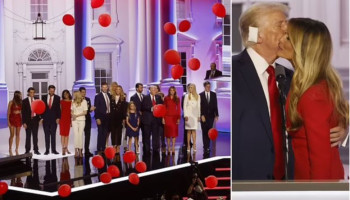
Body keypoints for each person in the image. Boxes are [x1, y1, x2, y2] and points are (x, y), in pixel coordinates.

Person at [232, 2, 347, 180]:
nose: (288, 31)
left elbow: (321, 121)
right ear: (257, 34)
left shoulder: (294, 78)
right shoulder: (232, 74)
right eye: (280, 25)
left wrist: (343, 130)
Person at [278, 18, 348, 180]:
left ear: (303, 48)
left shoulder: (313, 94)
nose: (281, 39)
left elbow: (320, 158)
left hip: (314, 183)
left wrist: (316, 194)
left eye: (288, 37)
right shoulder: (309, 84)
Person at [141, 85, 163, 154]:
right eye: (152, 89)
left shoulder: (158, 97)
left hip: (156, 120)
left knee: (155, 136)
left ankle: (155, 149)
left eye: (155, 89)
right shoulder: (145, 97)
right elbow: (143, 107)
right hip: (147, 120)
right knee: (147, 135)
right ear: (149, 90)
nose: (154, 90)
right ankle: (147, 150)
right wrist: (151, 108)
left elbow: (162, 107)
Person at [199, 81, 219, 154]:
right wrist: (201, 115)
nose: (208, 87)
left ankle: (207, 146)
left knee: (209, 131)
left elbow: (215, 105)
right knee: (204, 132)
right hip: (203, 116)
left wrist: (216, 115)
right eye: (207, 86)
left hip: (211, 116)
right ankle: (205, 146)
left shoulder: (213, 94)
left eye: (209, 86)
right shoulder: (200, 95)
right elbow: (199, 107)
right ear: (204, 87)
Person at [42, 85, 61, 155]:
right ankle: (47, 150)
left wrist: (58, 118)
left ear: (54, 91)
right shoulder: (43, 97)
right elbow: (42, 108)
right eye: (51, 90)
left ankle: (53, 150)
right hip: (46, 120)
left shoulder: (57, 98)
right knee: (46, 135)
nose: (52, 92)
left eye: (53, 91)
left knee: (53, 135)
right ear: (48, 90)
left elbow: (58, 109)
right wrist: (42, 118)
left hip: (54, 120)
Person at [22, 87, 41, 155]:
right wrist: (24, 122)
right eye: (31, 92)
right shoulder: (24, 101)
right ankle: (27, 150)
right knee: (28, 136)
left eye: (33, 92)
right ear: (28, 93)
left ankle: (36, 150)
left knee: (35, 136)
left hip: (35, 121)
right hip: (28, 122)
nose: (32, 94)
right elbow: (23, 113)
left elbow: (39, 110)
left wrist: (40, 118)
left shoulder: (37, 100)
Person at [163, 86, 181, 154]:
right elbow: (164, 108)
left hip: (174, 118)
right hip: (167, 117)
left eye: (173, 90)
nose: (172, 91)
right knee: (168, 134)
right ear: (169, 91)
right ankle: (168, 147)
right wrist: (163, 118)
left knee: (174, 134)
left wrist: (178, 118)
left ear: (175, 91)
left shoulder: (177, 98)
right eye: (171, 90)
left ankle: (173, 147)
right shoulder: (166, 98)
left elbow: (179, 109)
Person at [94, 82, 111, 153]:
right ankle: (99, 148)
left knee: (105, 133)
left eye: (106, 87)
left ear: (107, 87)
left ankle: (103, 148)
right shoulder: (98, 96)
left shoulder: (109, 95)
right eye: (103, 87)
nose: (105, 88)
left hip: (108, 117)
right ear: (101, 88)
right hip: (100, 117)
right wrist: (97, 118)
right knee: (100, 133)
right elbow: (96, 108)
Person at [110, 84, 127, 153]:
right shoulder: (111, 97)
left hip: (120, 118)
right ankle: (114, 145)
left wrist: (124, 118)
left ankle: (118, 146)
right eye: (117, 89)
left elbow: (124, 109)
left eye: (119, 89)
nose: (118, 90)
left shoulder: (123, 98)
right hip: (112, 117)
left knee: (119, 132)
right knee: (113, 132)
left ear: (121, 91)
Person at [183, 83, 201, 153]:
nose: (190, 89)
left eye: (192, 87)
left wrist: (199, 115)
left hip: (195, 115)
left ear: (194, 88)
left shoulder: (198, 96)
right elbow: (184, 106)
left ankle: (194, 145)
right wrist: (185, 115)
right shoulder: (186, 96)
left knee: (194, 131)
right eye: (190, 87)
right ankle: (188, 145)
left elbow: (199, 106)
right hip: (188, 115)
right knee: (188, 131)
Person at [71, 91, 88, 158]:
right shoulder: (73, 101)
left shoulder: (84, 101)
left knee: (80, 135)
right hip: (74, 120)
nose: (74, 95)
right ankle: (76, 151)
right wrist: (73, 115)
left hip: (81, 120)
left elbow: (85, 112)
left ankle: (80, 150)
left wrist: (77, 115)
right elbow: (71, 111)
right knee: (76, 135)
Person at [79, 87, 95, 157]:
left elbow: (88, 110)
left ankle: (87, 151)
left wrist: (91, 109)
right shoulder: (77, 100)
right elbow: (80, 110)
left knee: (87, 135)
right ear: (79, 92)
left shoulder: (88, 99)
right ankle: (79, 151)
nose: (84, 93)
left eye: (85, 92)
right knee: (79, 136)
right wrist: (89, 109)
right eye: (82, 92)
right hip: (80, 120)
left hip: (87, 120)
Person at [130, 83, 145, 150]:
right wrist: (138, 111)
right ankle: (136, 145)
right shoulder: (133, 97)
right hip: (137, 118)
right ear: (137, 88)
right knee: (136, 133)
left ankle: (145, 145)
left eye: (142, 87)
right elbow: (132, 107)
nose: (142, 89)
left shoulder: (145, 96)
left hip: (145, 118)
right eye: (140, 87)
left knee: (145, 132)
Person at [7, 91, 22, 156]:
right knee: (12, 135)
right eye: (20, 95)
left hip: (18, 119)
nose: (21, 95)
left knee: (18, 135)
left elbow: (22, 111)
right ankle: (10, 149)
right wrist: (8, 121)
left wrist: (19, 111)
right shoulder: (11, 102)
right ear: (17, 95)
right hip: (12, 119)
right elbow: (8, 112)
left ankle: (16, 149)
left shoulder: (21, 103)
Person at [60, 90, 72, 155]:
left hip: (68, 119)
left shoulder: (71, 102)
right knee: (62, 134)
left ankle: (66, 148)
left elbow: (72, 112)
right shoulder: (61, 102)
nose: (66, 95)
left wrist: (71, 121)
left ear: (68, 94)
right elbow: (60, 111)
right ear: (63, 95)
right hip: (62, 119)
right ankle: (63, 149)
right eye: (64, 94)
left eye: (67, 94)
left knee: (67, 134)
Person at [155, 85, 166, 153]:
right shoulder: (151, 97)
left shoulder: (161, 95)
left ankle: (163, 145)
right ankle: (157, 145)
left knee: (162, 132)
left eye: (156, 88)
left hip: (160, 117)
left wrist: (163, 117)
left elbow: (163, 107)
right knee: (156, 133)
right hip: (154, 117)